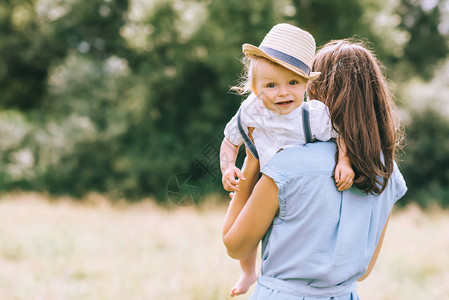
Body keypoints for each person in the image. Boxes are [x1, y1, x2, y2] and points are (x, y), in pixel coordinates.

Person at [222, 39, 407, 300]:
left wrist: (252, 158)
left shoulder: (286, 165)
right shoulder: (386, 170)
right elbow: (364, 271)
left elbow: (235, 246)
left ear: (317, 92)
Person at [220, 23, 355, 297]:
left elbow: (340, 135)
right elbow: (230, 140)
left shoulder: (313, 116)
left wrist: (344, 162)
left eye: (293, 83)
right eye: (271, 85)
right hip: (261, 176)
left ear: (307, 84)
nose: (283, 92)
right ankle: (248, 272)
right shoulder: (250, 112)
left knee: (277, 233)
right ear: (256, 90)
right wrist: (227, 167)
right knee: (243, 231)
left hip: (293, 186)